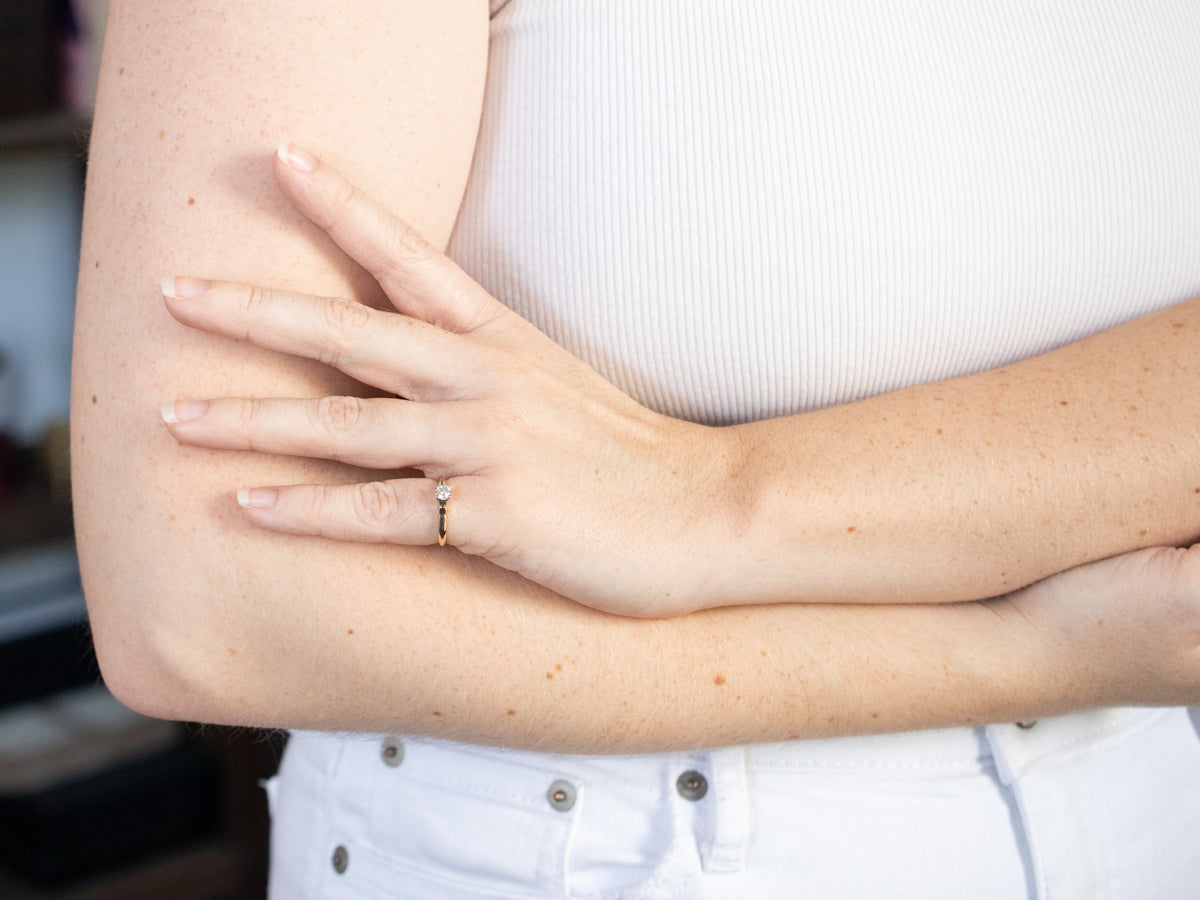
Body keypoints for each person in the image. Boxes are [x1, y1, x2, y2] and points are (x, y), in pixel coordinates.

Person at [72, 1, 1200, 897]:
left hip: (1139, 805)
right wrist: (1021, 653)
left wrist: (708, 502)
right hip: (596, 845)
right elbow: (203, 607)